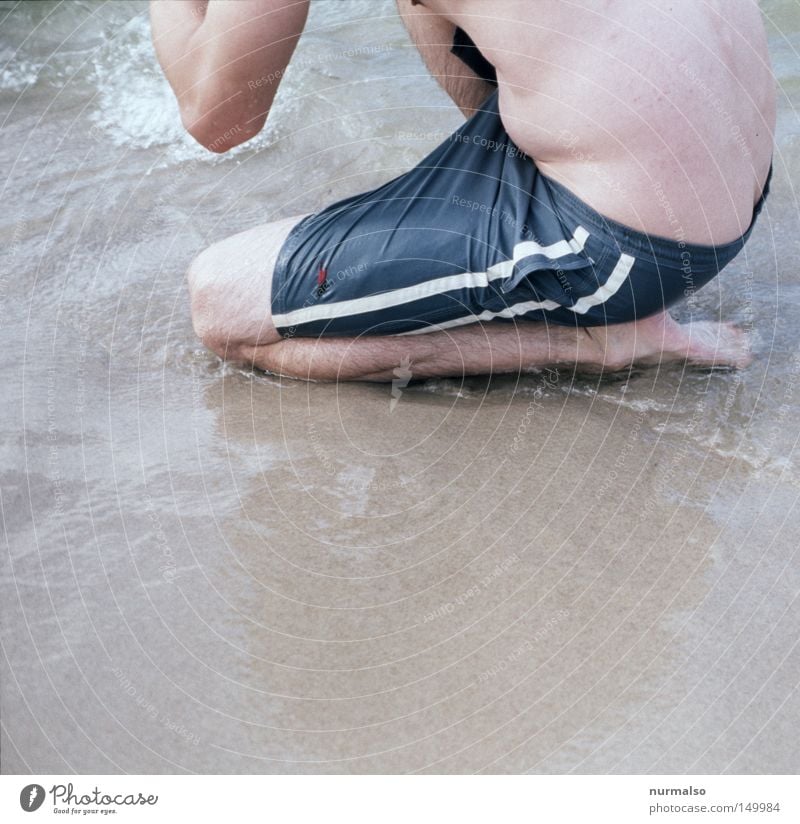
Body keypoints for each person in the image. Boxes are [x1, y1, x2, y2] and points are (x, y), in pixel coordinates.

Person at [150, 0, 775, 381]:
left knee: (221, 302)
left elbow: (220, 117)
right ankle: (522, 217)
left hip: (626, 244)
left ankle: (598, 340)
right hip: (733, 181)